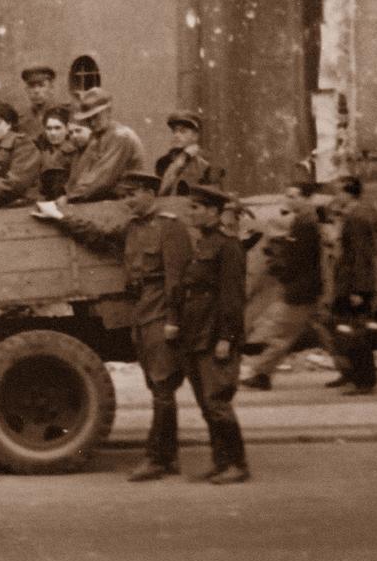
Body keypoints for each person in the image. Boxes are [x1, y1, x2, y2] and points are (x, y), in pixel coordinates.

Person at [32, 172, 193, 482]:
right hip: (142, 311)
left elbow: (178, 281)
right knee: (157, 387)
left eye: (133, 194)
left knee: (162, 388)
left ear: (149, 193)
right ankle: (168, 456)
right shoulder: (132, 227)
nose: (128, 201)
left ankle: (156, 459)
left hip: (161, 313)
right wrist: (59, 217)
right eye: (124, 196)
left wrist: (174, 321)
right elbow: (97, 235)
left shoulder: (170, 227)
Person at [176, 185, 250, 484]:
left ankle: (238, 464)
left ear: (213, 211)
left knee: (217, 401)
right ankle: (220, 462)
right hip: (196, 333)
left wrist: (226, 338)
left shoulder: (228, 246)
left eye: (196, 208)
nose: (190, 213)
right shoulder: (203, 243)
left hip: (215, 335)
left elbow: (232, 297)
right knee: (207, 404)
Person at [241, 182, 324, 390]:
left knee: (281, 333)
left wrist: (286, 275)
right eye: (287, 195)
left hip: (301, 288)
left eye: (294, 196)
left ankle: (261, 373)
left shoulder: (306, 224)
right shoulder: (304, 221)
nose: (288, 199)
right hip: (307, 288)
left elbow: (300, 259)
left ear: (306, 198)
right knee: (322, 329)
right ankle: (355, 372)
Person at [326, 175, 377, 395]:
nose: (335, 196)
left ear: (348, 192)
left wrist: (358, 290)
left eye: (338, 191)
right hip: (352, 281)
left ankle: (365, 381)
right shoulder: (357, 213)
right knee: (347, 330)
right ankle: (355, 375)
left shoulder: (357, 217)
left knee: (355, 332)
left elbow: (360, 255)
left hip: (355, 283)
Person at [63, 88, 145, 202]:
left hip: (127, 202)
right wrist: (68, 194)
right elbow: (81, 174)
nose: (92, 123)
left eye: (96, 116)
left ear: (108, 111)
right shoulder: (97, 137)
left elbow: (103, 179)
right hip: (105, 200)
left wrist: (70, 198)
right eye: (88, 119)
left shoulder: (121, 136)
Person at [154, 111, 214, 195]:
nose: (176, 135)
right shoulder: (163, 162)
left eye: (183, 131)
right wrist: (184, 157)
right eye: (174, 131)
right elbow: (161, 192)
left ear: (195, 136)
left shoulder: (205, 166)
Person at [34, 105, 78, 200]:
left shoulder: (75, 153)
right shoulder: (39, 152)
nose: (53, 133)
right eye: (49, 128)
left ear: (67, 129)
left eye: (57, 128)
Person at [18, 66, 58, 140]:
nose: (36, 91)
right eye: (31, 86)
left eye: (41, 85)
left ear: (51, 88)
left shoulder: (63, 114)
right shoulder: (20, 120)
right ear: (26, 90)